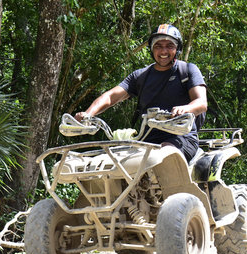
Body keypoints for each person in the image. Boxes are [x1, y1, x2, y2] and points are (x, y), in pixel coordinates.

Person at [75, 24, 207, 162]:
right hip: (146, 141)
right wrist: (88, 114)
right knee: (107, 164)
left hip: (181, 138)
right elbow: (109, 97)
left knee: (162, 158)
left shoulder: (187, 70)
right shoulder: (141, 76)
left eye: (169, 45)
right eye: (158, 46)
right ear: (152, 49)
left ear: (177, 49)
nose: (164, 50)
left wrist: (186, 108)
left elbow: (201, 103)